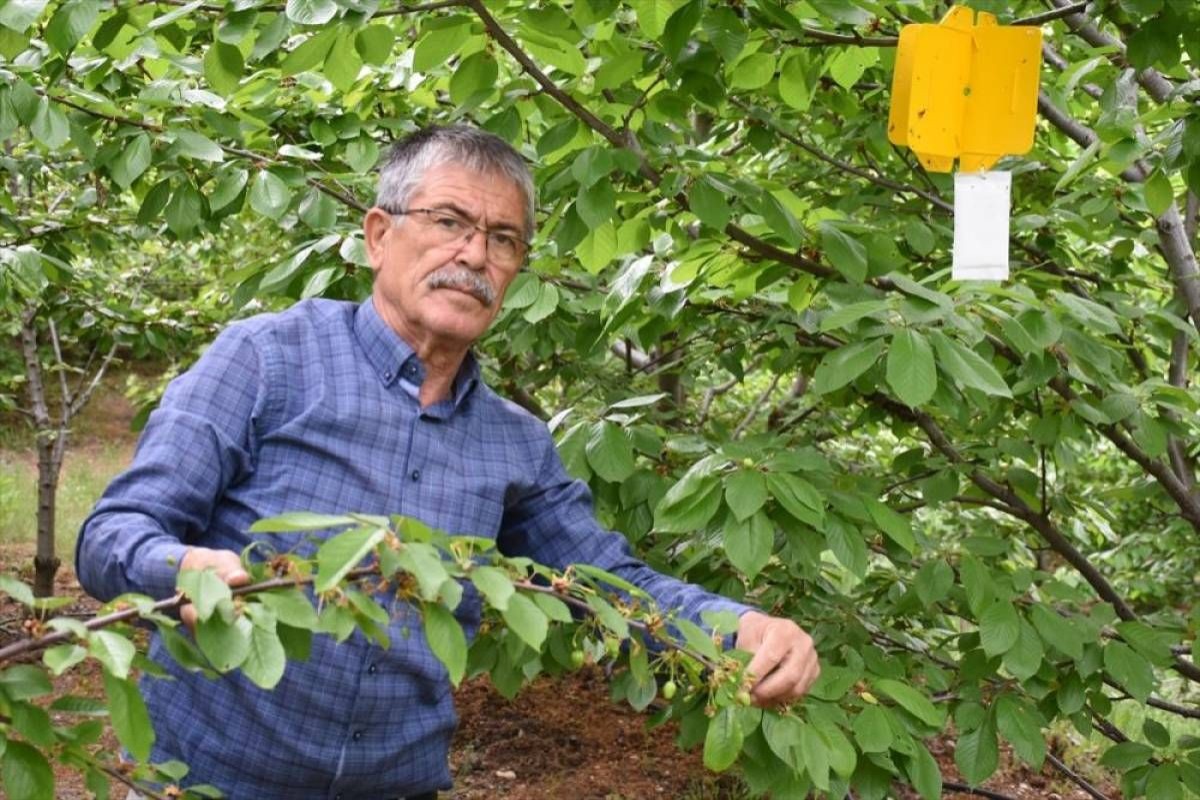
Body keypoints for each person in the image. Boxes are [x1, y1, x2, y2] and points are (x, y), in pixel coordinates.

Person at [77, 125, 819, 800]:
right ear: (378, 235)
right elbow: (114, 533)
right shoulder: (267, 359)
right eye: (448, 222)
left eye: (503, 239)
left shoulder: (516, 442)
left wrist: (742, 627)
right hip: (210, 782)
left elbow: (611, 583)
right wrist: (177, 566)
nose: (474, 256)